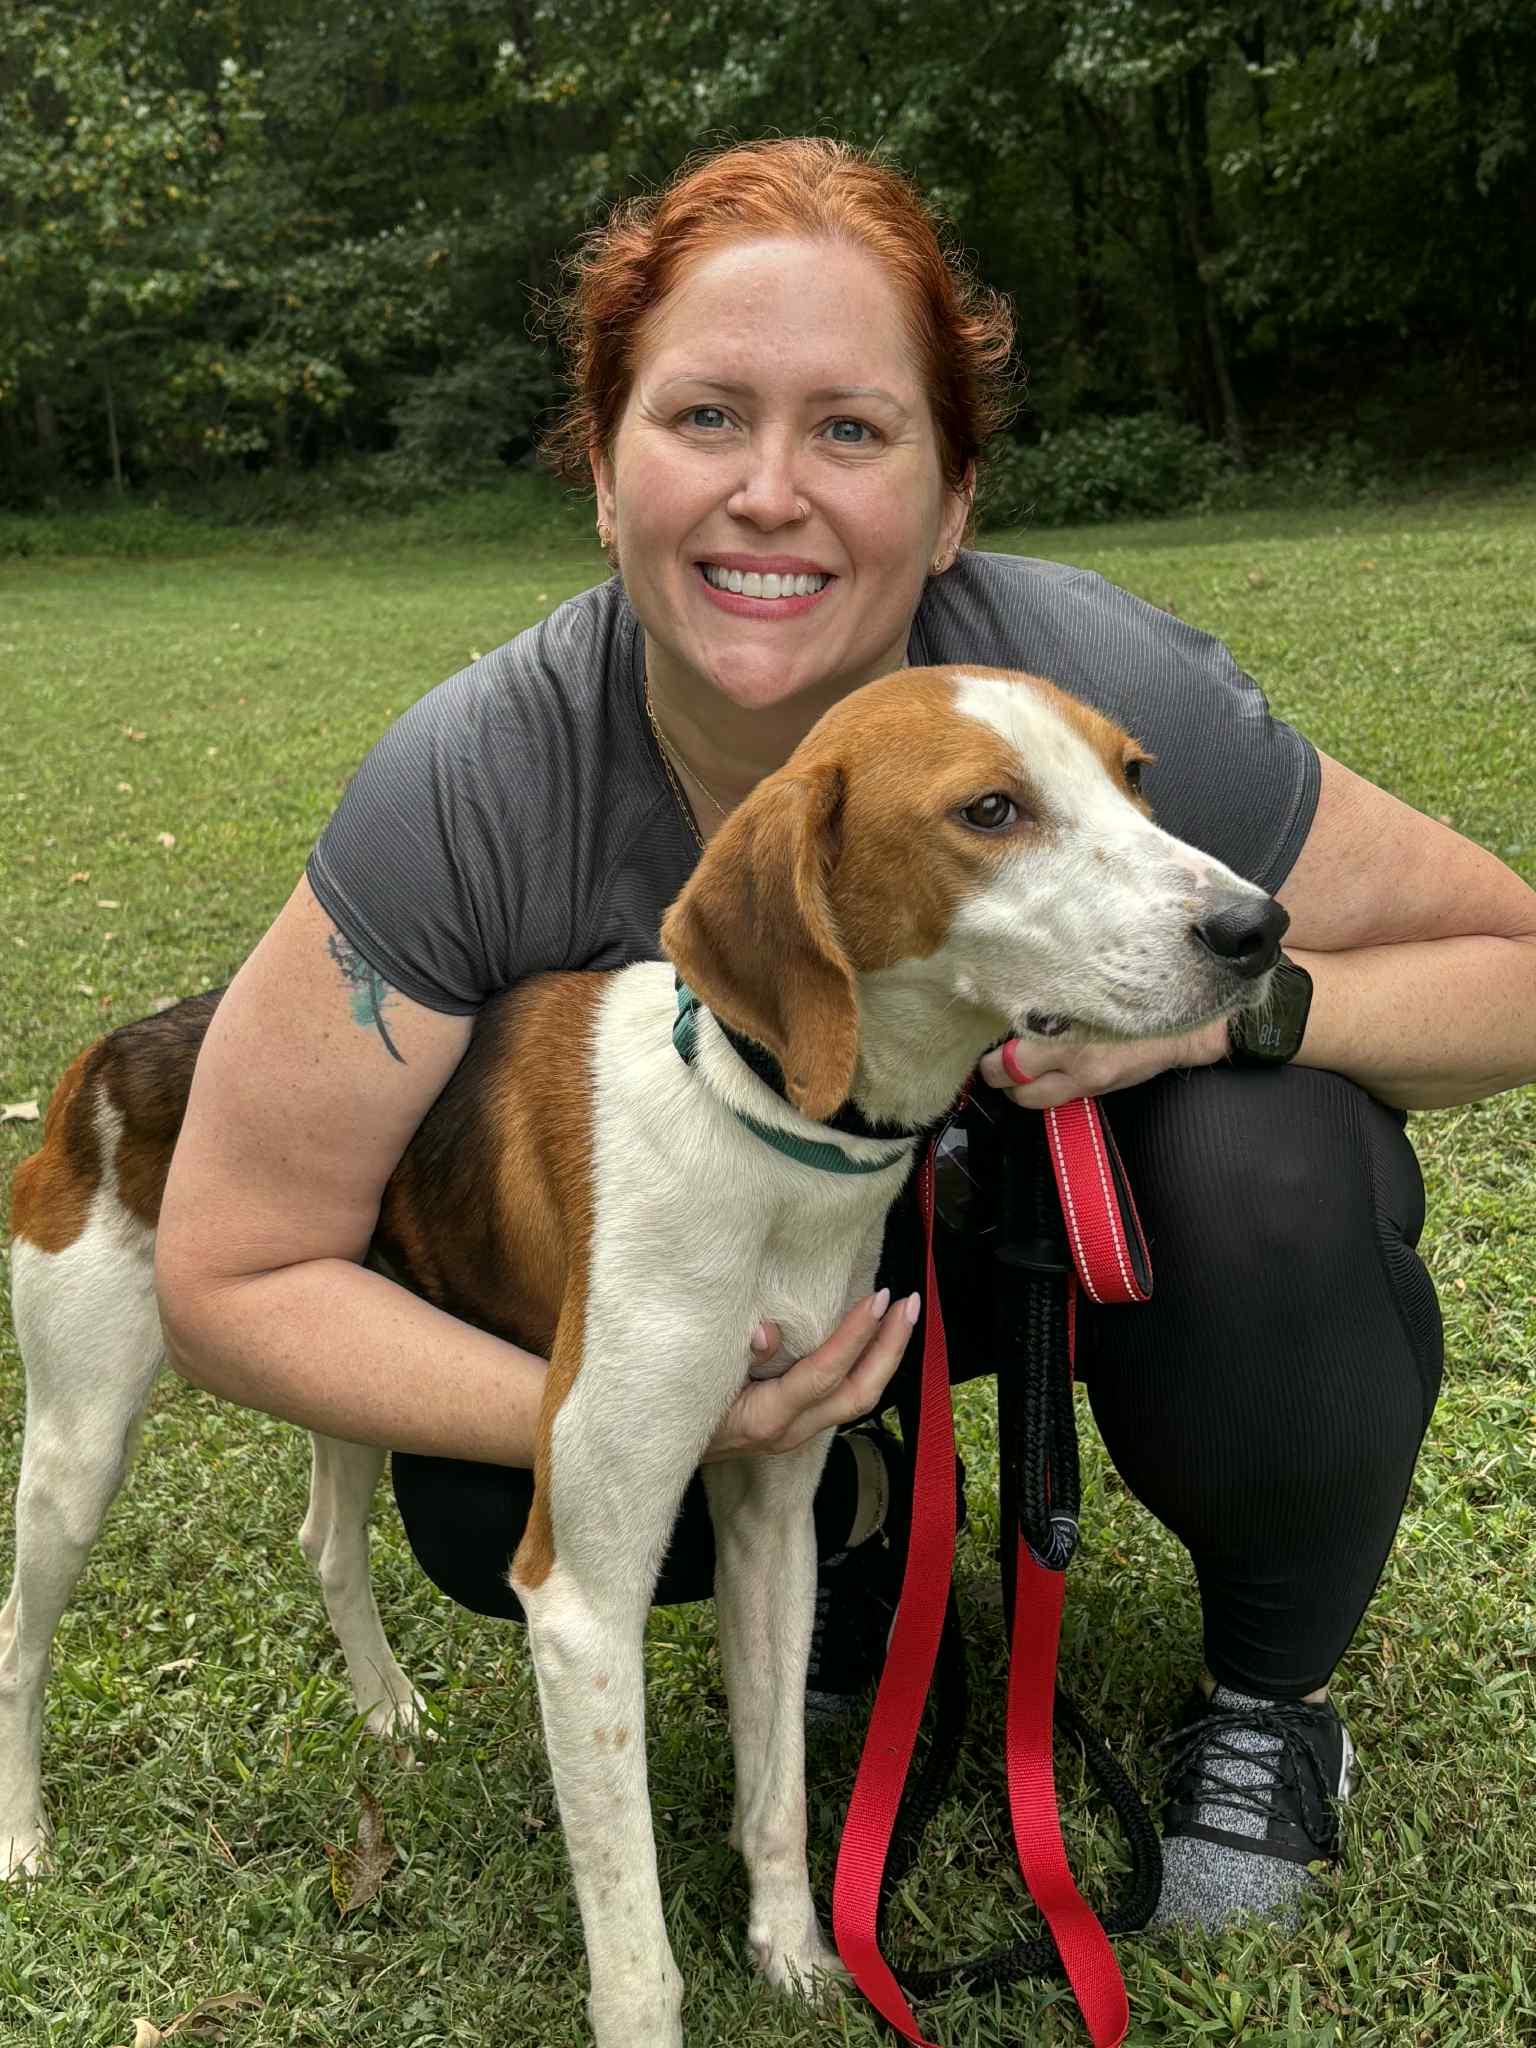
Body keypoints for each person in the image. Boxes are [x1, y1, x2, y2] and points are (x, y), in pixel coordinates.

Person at [155, 137, 1536, 1937]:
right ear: (604, 470)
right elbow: (234, 1268)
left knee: (1274, 1158)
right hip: (735, 1292)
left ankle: (1270, 1703)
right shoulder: (477, 779)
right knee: (467, 1472)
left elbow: (1512, 958)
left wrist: (1222, 1025)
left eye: (855, 431)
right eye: (706, 417)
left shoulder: (1078, 693)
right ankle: (859, 1591)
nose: (769, 494)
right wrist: (625, 1426)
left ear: (954, 503)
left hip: (1024, 1244)